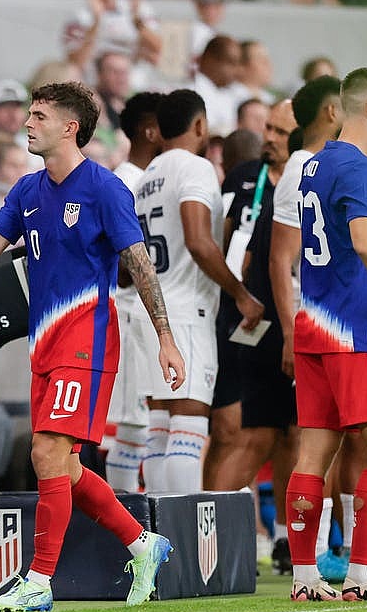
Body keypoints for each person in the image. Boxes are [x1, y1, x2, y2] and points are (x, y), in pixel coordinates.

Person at [0, 81, 185, 611]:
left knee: (46, 452)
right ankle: (142, 543)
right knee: (68, 468)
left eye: (38, 115)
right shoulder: (28, 190)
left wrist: (166, 340)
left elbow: (139, 265)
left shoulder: (104, 189)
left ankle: (39, 582)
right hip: (45, 344)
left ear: (69, 127)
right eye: (28, 115)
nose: (27, 123)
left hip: (89, 340)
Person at [285, 67, 367, 602]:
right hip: (356, 326)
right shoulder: (363, 169)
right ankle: (364, 576)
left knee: (312, 455)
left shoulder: (312, 165)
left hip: (313, 323)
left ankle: (304, 578)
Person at [135, 89, 263, 494]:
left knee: (159, 430)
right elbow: (198, 241)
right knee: (188, 429)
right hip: (186, 311)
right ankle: (183, 537)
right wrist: (240, 293)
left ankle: (158, 532)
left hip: (150, 311)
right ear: (200, 126)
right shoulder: (196, 168)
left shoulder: (147, 177)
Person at [203, 101, 299, 571]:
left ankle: (285, 538)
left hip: (292, 322)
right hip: (250, 322)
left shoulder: (307, 179)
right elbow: (222, 245)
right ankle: (202, 531)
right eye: (269, 129)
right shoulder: (243, 178)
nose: (271, 138)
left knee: (293, 435)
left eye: (281, 131)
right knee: (249, 435)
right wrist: (236, 296)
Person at [268, 76, 350, 581]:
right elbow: (282, 259)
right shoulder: (303, 167)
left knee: (356, 439)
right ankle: (316, 551)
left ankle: (353, 549)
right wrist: (287, 331)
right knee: (320, 438)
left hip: (350, 319)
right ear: (330, 112)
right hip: (322, 321)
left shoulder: (342, 163)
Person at [105, 90, 163, 493]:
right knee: (133, 420)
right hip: (127, 311)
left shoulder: (147, 181)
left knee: (140, 421)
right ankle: (124, 515)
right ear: (150, 131)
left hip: (140, 314)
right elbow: (124, 266)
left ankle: (129, 513)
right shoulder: (125, 183)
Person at [193, 36, 244, 137]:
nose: (238, 71)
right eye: (231, 63)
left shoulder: (229, 93)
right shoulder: (193, 93)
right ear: (210, 60)